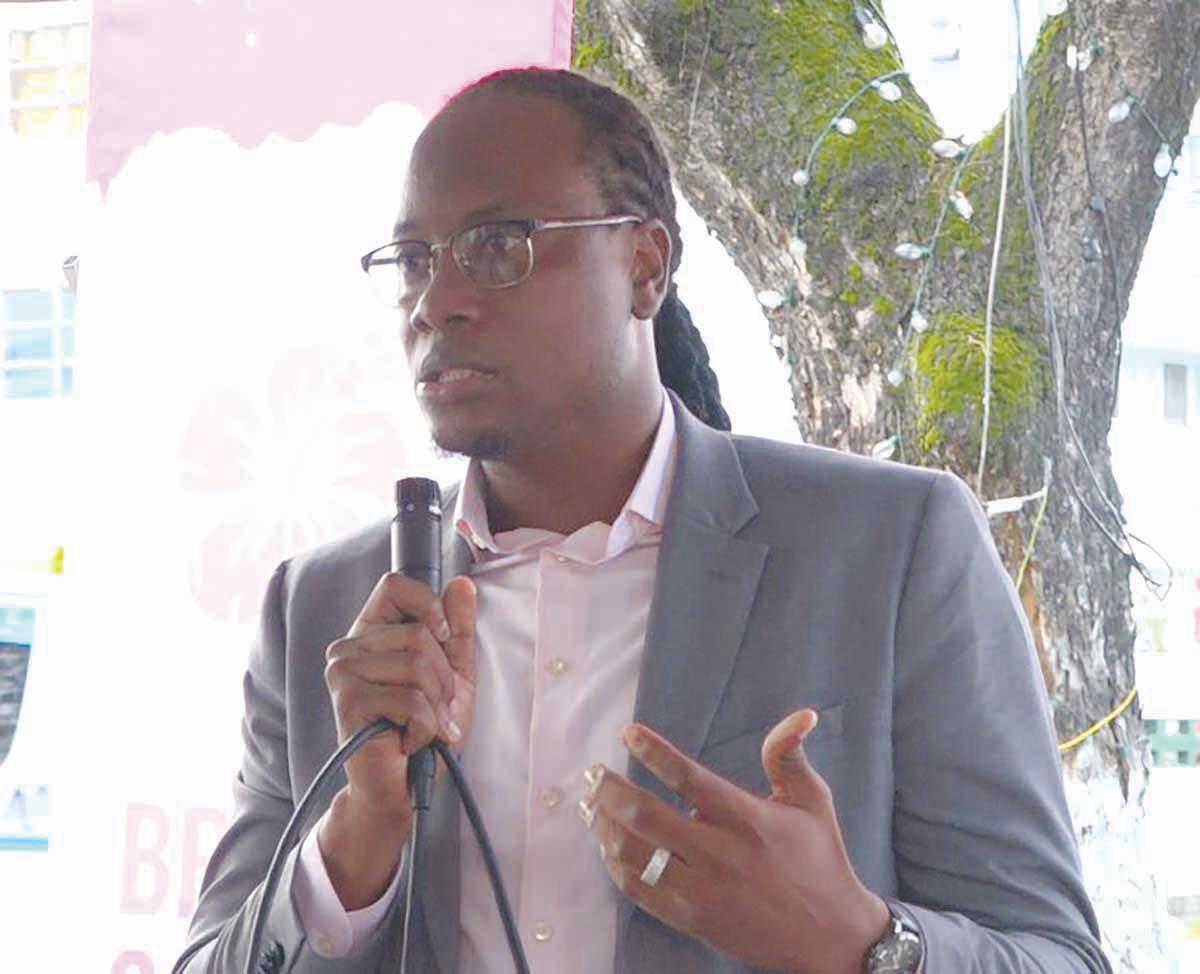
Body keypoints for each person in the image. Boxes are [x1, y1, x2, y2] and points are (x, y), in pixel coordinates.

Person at [174, 67, 1111, 974]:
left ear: (645, 266)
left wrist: (859, 942)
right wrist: (353, 844)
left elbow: (1057, 956)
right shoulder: (323, 613)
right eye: (415, 261)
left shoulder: (890, 549)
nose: (437, 301)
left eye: (498, 245)